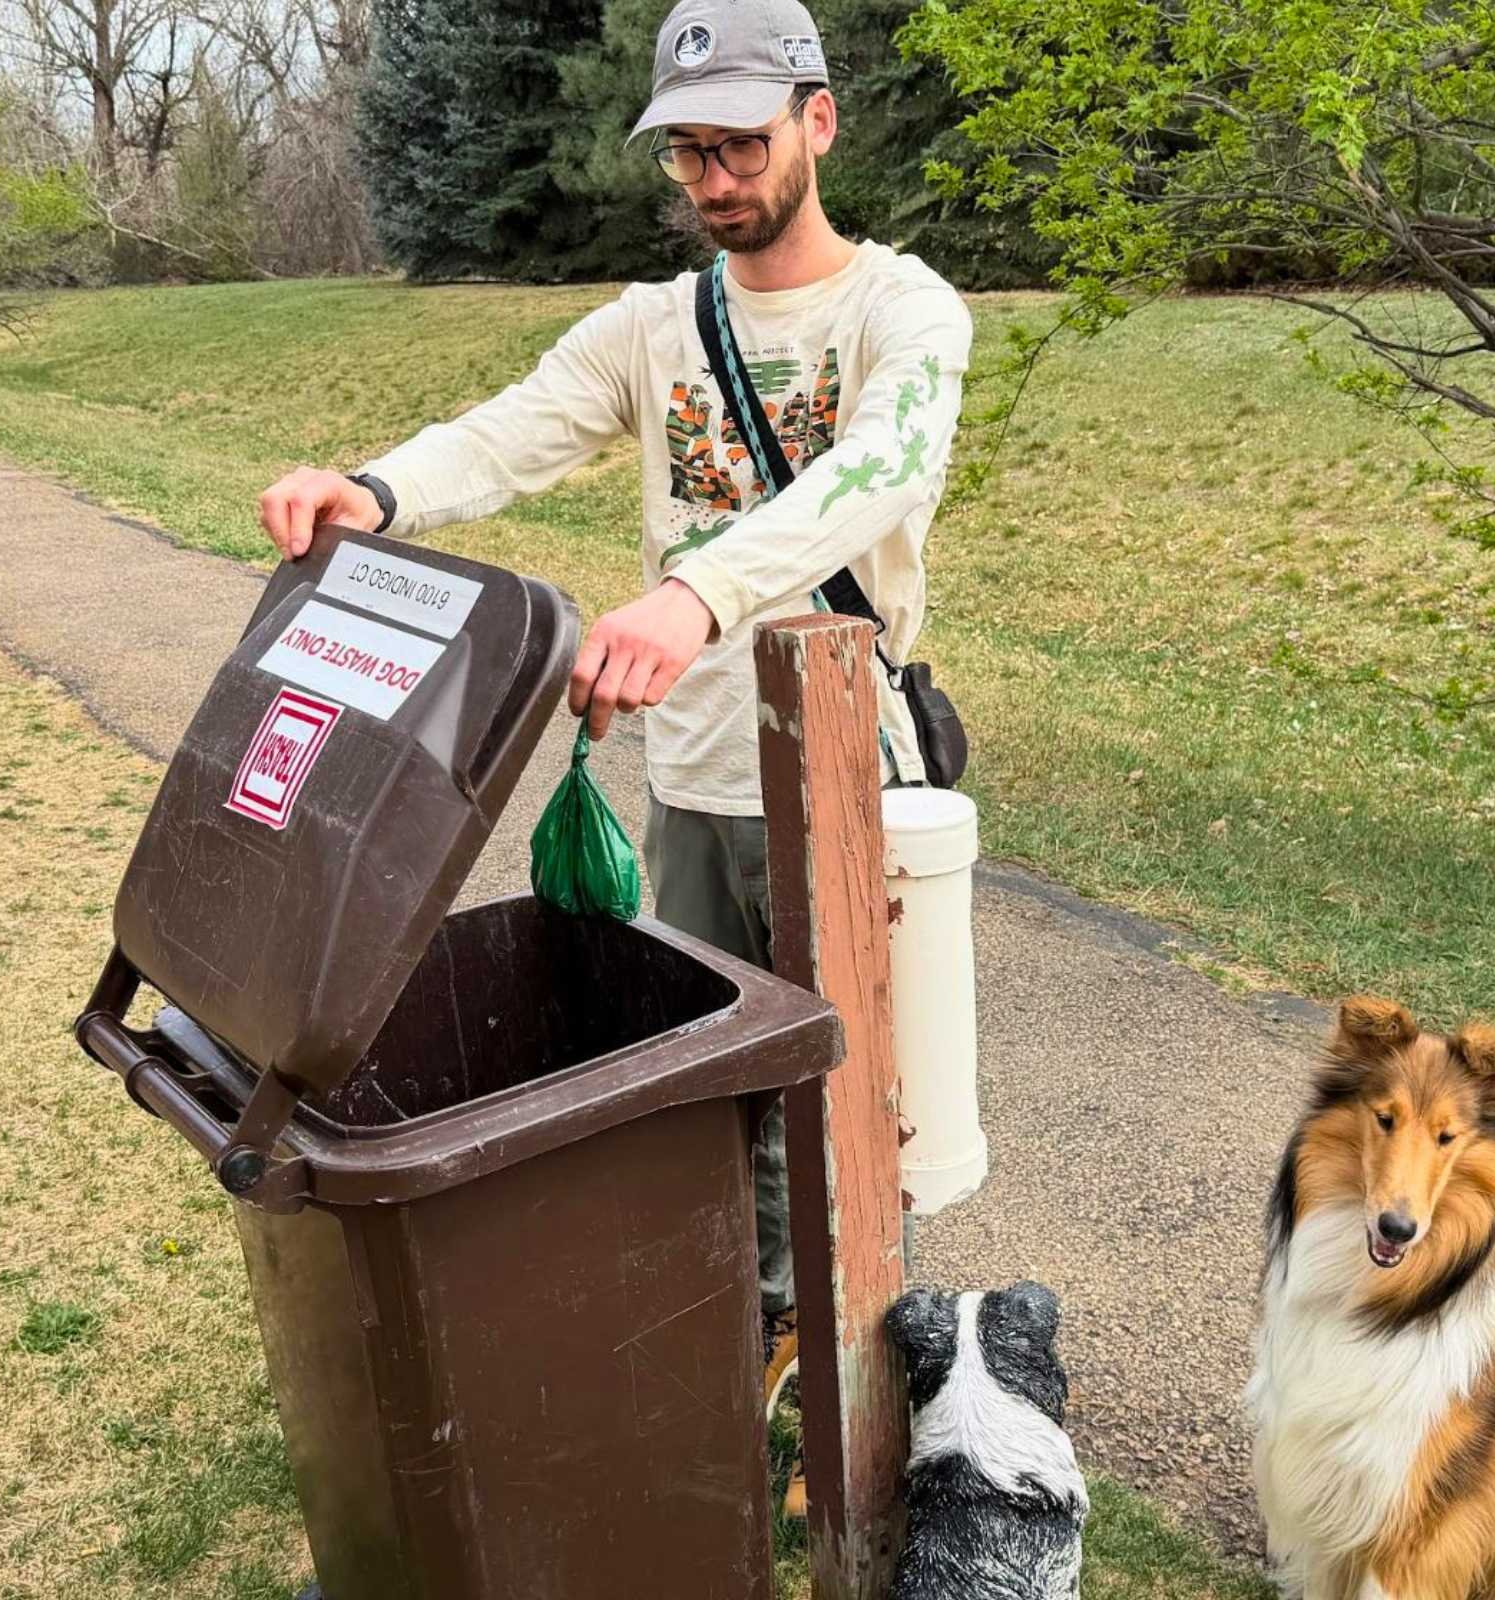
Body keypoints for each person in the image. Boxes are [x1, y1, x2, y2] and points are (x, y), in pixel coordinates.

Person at [254, 0, 972, 1516]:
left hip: (851, 779)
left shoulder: (903, 314)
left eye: (740, 142)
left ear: (818, 122)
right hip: (692, 773)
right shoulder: (652, 330)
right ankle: (750, 1328)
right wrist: (371, 492)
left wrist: (698, 589)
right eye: (688, 154)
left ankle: (840, 1385)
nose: (715, 179)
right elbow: (513, 430)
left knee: (857, 1104)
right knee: (703, 1079)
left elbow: (877, 471)